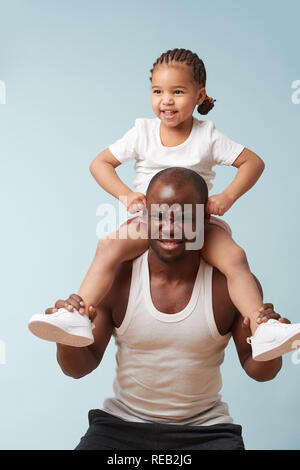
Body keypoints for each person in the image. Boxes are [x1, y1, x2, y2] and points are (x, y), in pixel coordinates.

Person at [28, 47, 300, 361]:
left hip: (197, 224)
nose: (166, 100)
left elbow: (253, 162)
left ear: (200, 96)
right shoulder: (142, 132)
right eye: (158, 91)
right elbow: (99, 163)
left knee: (235, 258)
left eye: (178, 91)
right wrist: (125, 195)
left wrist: (227, 196)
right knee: (107, 246)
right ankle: (76, 314)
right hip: (149, 223)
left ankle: (262, 326)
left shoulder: (207, 136)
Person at [45, 168, 294, 450]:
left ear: (205, 221)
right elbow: (80, 367)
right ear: (144, 218)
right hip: (121, 428)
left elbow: (260, 371)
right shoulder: (118, 279)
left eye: (186, 217)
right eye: (159, 216)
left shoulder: (228, 286)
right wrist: (65, 339)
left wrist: (272, 349)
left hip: (207, 433)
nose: (170, 227)